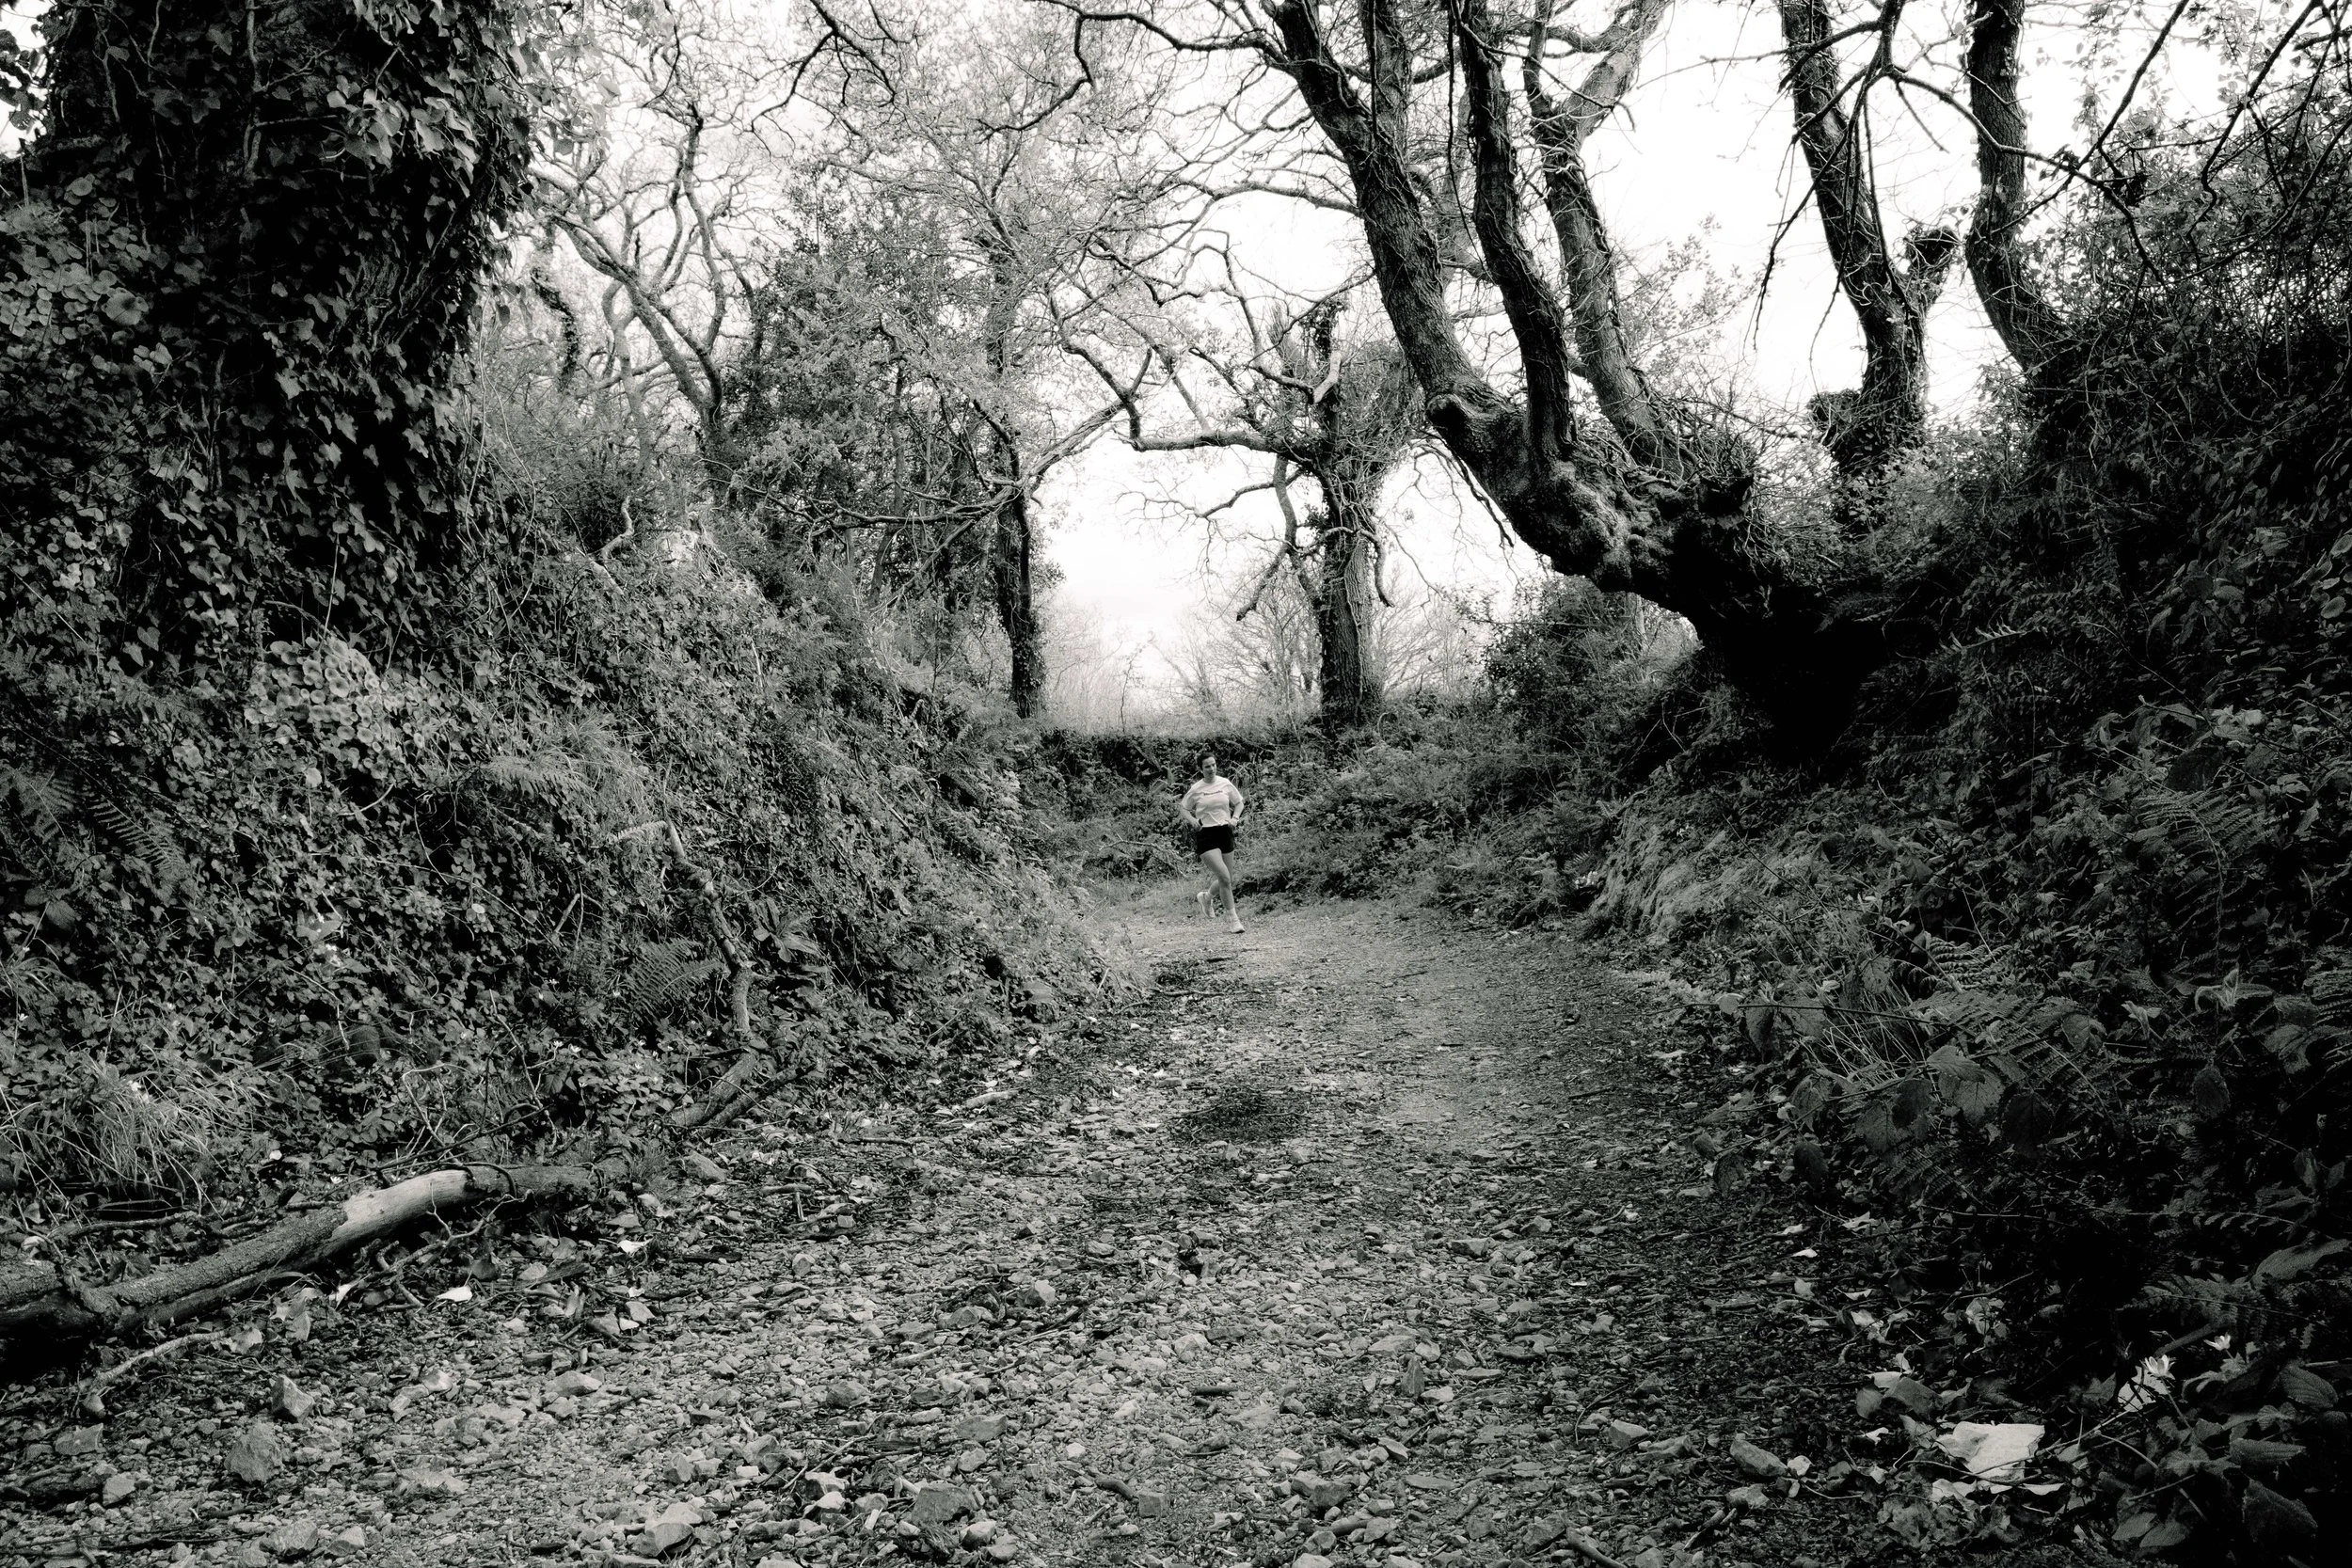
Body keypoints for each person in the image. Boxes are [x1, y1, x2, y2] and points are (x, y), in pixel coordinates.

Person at [1178, 751, 1247, 934]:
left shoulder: (1225, 783)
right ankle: (1234, 920)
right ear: (1201, 769)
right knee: (1224, 877)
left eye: (1214, 765)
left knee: (1227, 879)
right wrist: (1193, 821)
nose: (1211, 769)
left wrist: (1235, 818)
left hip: (1225, 831)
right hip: (1206, 834)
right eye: (1207, 766)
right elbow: (1183, 808)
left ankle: (1207, 897)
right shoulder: (1197, 788)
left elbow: (1239, 802)